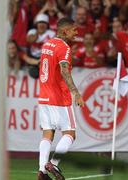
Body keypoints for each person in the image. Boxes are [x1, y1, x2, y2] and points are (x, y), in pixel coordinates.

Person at [37, 17, 84, 180]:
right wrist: (76, 92)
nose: (76, 33)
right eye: (74, 30)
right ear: (65, 30)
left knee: (47, 134)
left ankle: (42, 171)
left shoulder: (47, 44)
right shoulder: (64, 48)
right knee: (70, 133)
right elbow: (64, 71)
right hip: (59, 97)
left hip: (43, 96)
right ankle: (54, 163)